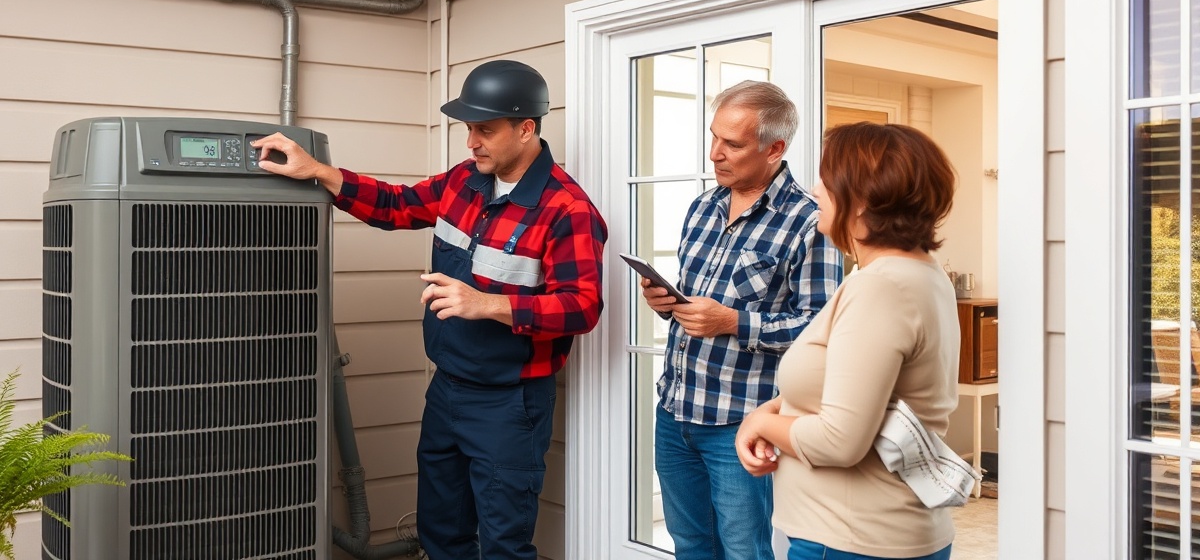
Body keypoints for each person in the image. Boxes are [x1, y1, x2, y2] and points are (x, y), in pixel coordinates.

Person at [251, 60, 607, 560]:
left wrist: (488, 304)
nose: (472, 143)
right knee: (440, 532)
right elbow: (397, 205)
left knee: (503, 544)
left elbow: (582, 307)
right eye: (469, 129)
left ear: (526, 129)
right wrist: (319, 171)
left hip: (510, 403)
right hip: (447, 390)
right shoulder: (464, 181)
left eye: (485, 130)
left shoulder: (567, 210)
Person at [734, 121, 960, 560]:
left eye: (828, 179)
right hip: (874, 535)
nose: (816, 190)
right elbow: (848, 390)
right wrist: (772, 409)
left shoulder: (880, 288)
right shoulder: (917, 273)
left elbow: (841, 440)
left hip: (850, 540)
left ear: (863, 201)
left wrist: (757, 425)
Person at [638, 80, 842, 560]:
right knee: (689, 545)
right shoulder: (703, 207)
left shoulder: (811, 221)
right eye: (714, 138)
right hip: (675, 411)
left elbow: (820, 331)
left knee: (743, 552)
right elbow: (702, 305)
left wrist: (733, 322)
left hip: (742, 423)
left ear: (775, 148)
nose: (715, 154)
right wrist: (668, 302)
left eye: (732, 144)